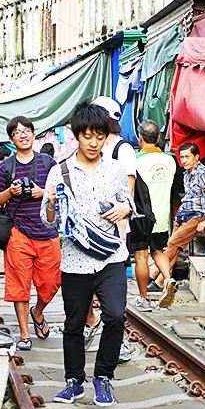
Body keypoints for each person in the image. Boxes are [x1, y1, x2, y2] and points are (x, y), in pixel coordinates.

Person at [42, 101, 133, 406]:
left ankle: (103, 377)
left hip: (111, 256)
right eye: (87, 136)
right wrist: (53, 205)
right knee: (74, 322)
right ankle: (74, 381)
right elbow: (48, 219)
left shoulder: (117, 169)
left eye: (99, 136)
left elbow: (128, 203)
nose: (94, 143)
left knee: (115, 314)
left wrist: (125, 209)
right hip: (75, 259)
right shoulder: (59, 171)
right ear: (76, 136)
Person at [0, 116, 60, 351]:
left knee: (51, 283)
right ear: (11, 139)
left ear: (33, 134)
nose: (23, 134)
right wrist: (10, 192)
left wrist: (44, 192)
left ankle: (37, 312)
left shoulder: (49, 163)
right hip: (18, 233)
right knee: (19, 285)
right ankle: (25, 332)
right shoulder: (5, 167)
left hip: (48, 232)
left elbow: (60, 191)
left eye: (27, 130)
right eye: (18, 132)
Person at [84, 96, 136, 353]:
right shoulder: (89, 148)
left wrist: (121, 235)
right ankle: (90, 323)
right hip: (85, 236)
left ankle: (119, 342)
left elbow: (128, 197)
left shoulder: (122, 150)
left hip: (114, 234)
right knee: (86, 289)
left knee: (113, 297)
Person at [150, 142, 205, 308]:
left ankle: (153, 276)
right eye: (182, 157)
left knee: (172, 244)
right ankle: (162, 282)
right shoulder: (187, 174)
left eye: (187, 157)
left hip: (197, 216)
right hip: (184, 214)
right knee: (176, 248)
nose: (184, 160)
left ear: (196, 157)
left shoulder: (203, 173)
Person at [132, 120, 177, 310]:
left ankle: (143, 298)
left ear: (140, 138)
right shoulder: (171, 160)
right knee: (158, 251)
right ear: (158, 138)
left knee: (141, 257)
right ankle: (168, 279)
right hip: (162, 216)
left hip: (142, 217)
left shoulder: (135, 161)